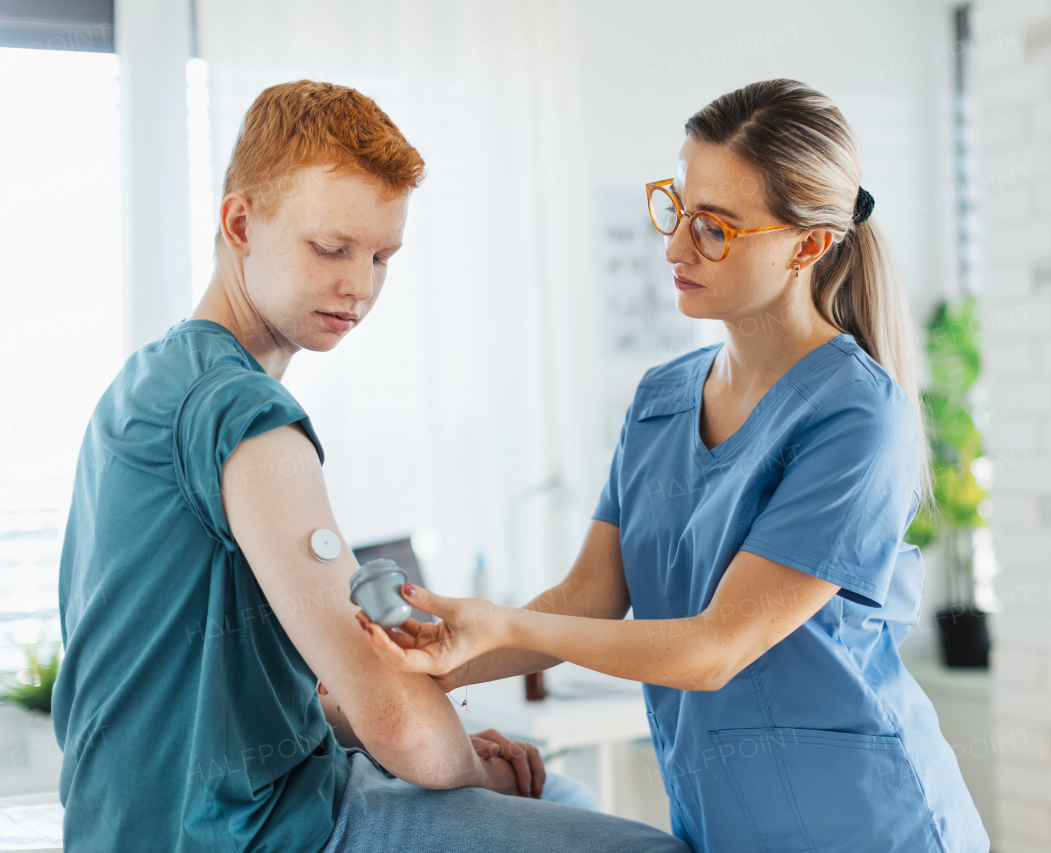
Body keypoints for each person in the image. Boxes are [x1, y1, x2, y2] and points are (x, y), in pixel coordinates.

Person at [53, 79, 688, 853]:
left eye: (382, 255)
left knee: (566, 789)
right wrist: (476, 774)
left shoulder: (146, 384)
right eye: (331, 247)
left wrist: (415, 731)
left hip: (130, 822)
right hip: (247, 832)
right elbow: (399, 724)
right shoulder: (242, 416)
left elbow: (205, 694)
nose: (360, 284)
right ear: (240, 221)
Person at [358, 79, 991, 853]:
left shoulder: (857, 414)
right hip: (722, 827)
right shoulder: (661, 400)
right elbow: (589, 597)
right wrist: (441, 660)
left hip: (866, 825)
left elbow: (714, 646)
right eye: (678, 210)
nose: (675, 247)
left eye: (716, 229)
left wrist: (503, 624)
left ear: (808, 245)